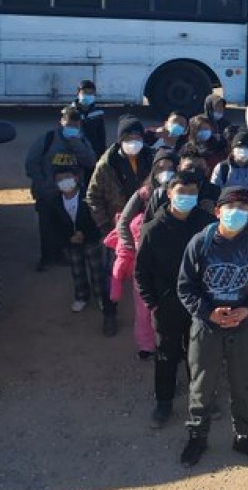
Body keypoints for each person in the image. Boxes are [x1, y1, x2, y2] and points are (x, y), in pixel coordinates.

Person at [177, 187, 248, 467]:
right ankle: (197, 436)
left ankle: (244, 436)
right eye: (230, 206)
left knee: (242, 383)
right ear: (218, 211)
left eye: (244, 207)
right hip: (207, 327)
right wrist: (209, 313)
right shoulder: (201, 243)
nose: (237, 212)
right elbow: (185, 287)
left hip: (244, 326)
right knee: (202, 385)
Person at [136, 172, 216, 428]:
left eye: (192, 192)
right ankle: (164, 402)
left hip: (200, 302)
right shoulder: (153, 229)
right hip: (167, 304)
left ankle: (202, 401)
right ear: (169, 193)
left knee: (200, 355)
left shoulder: (206, 224)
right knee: (167, 355)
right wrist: (153, 302)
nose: (186, 197)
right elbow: (141, 272)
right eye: (181, 191)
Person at [87, 114, 154, 337]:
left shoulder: (151, 158)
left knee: (147, 271)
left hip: (145, 226)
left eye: (138, 137)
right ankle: (109, 314)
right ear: (120, 140)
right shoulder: (106, 164)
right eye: (129, 137)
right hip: (117, 227)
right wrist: (105, 226)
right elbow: (93, 196)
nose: (134, 142)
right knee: (112, 274)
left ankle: (149, 318)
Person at [114, 148, 178, 358]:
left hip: (170, 258)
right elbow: (123, 222)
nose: (165, 172)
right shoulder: (143, 194)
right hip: (144, 257)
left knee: (169, 304)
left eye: (170, 168)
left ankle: (168, 342)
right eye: (161, 167)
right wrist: (130, 246)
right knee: (143, 304)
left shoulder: (182, 194)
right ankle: (145, 344)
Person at [25, 106, 97, 271]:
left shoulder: (82, 141)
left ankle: (68, 254)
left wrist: (75, 143)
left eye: (75, 124)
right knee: (47, 224)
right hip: (48, 192)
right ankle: (48, 258)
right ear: (61, 122)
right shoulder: (48, 139)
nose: (71, 127)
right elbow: (32, 163)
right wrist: (43, 184)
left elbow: (90, 162)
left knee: (70, 224)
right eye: (68, 123)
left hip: (72, 193)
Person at [44, 166, 106, 313]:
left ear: (76, 178)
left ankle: (101, 297)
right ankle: (81, 297)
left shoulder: (89, 197)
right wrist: (68, 238)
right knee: (77, 271)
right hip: (71, 244)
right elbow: (54, 227)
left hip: (91, 240)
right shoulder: (55, 202)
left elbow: (98, 219)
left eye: (67, 177)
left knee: (96, 270)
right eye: (60, 180)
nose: (64, 182)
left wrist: (85, 233)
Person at [72, 79, 106, 159]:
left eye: (90, 93)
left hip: (93, 153)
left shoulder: (98, 113)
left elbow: (101, 136)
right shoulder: (70, 111)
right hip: (75, 153)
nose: (88, 96)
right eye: (85, 93)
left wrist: (102, 154)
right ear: (78, 93)